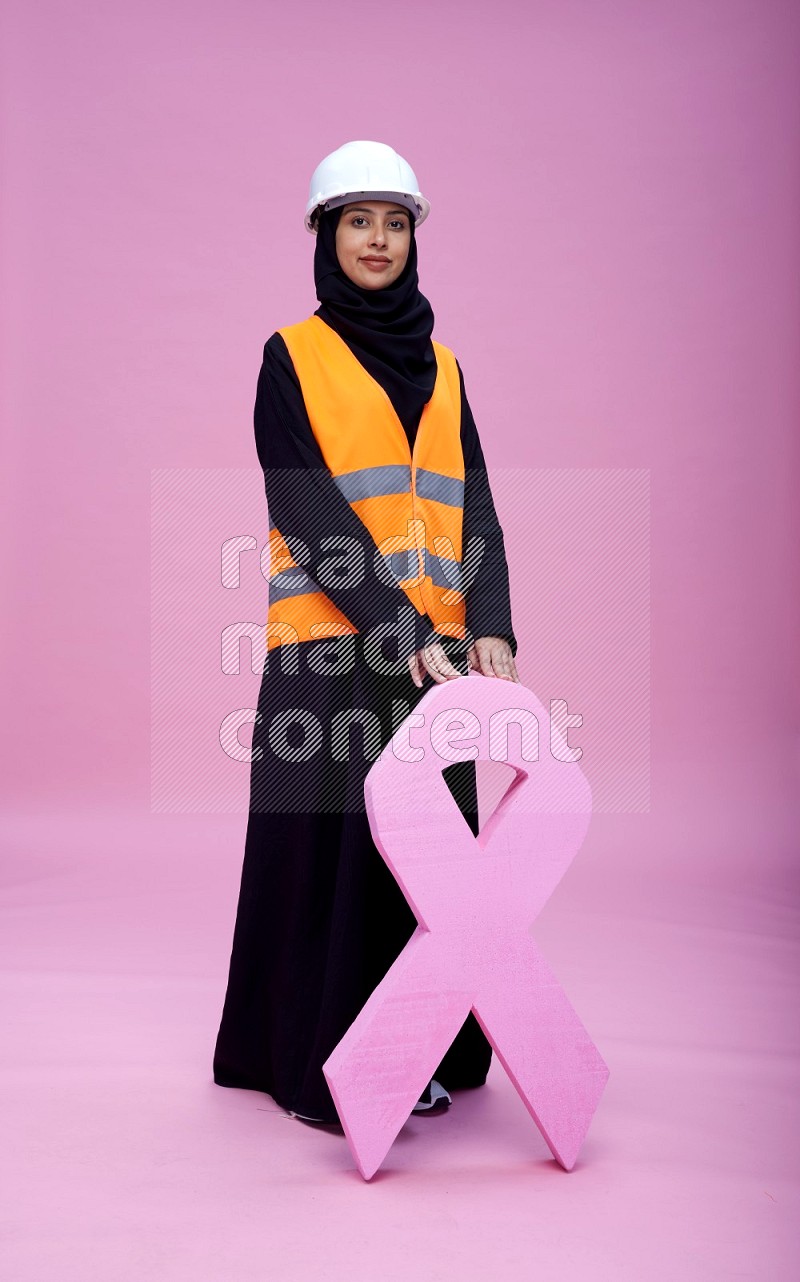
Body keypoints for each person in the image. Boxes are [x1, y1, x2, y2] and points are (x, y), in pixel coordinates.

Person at [213, 140, 520, 1125]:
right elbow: (307, 511)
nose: (377, 239)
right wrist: (396, 626)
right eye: (357, 221)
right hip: (328, 649)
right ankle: (311, 1064)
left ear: (412, 238)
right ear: (324, 235)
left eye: (394, 222)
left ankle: (416, 1050)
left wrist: (492, 625)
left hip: (430, 657)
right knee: (322, 853)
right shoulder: (287, 356)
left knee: (420, 863)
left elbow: (471, 504)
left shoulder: (443, 366)